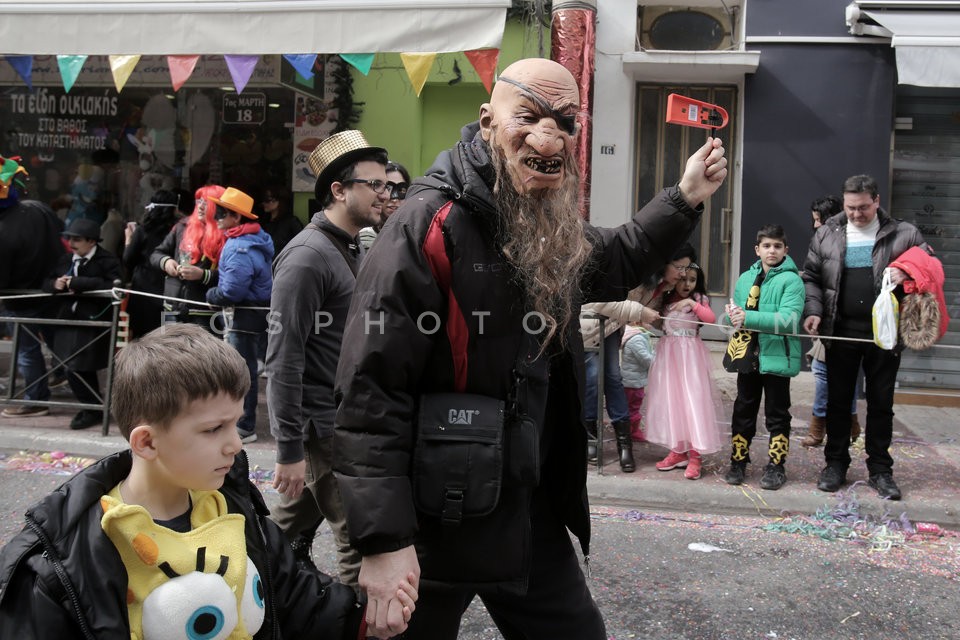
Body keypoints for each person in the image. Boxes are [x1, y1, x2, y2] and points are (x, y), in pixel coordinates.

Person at [332, 58, 727, 639]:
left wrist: (685, 196)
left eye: (565, 122)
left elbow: (612, 259)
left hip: (525, 502)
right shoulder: (429, 223)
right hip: (436, 510)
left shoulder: (544, 216)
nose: (548, 136)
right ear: (488, 121)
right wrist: (385, 541)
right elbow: (371, 387)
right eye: (530, 117)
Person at [0, 323, 415, 638]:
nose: (235, 445)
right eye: (214, 429)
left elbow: (297, 598)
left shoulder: (233, 509)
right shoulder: (62, 559)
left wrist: (367, 617)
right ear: (146, 441)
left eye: (236, 425)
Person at [267, 130, 389, 592]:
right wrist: (289, 449)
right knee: (358, 542)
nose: (385, 194)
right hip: (322, 429)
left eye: (387, 185)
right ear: (338, 190)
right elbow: (282, 358)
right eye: (374, 185)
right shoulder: (305, 257)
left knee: (281, 529)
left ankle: (241, 583)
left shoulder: (350, 245)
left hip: (345, 419)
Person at [803, 174, 929, 500]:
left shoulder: (904, 233)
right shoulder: (828, 231)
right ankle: (835, 465)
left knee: (881, 404)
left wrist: (909, 271)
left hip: (884, 335)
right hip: (840, 332)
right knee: (838, 402)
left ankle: (880, 471)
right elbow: (812, 277)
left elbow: (929, 264)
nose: (856, 215)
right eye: (850, 208)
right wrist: (813, 311)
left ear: (876, 201)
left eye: (862, 208)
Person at [721, 225, 805, 490]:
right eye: (767, 246)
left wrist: (747, 317)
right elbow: (734, 315)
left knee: (777, 414)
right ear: (757, 250)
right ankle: (738, 460)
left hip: (777, 356)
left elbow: (790, 320)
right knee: (743, 410)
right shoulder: (745, 278)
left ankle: (776, 466)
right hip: (748, 354)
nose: (772, 251)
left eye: (777, 246)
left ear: (785, 250)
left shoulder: (792, 281)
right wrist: (730, 318)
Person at [205, 187, 274, 444]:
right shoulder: (256, 240)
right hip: (253, 314)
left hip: (242, 316)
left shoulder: (238, 246)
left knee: (242, 373)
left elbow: (232, 290)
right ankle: (242, 423)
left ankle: (244, 425)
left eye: (221, 213)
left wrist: (212, 295)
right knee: (246, 370)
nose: (217, 218)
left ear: (236, 217)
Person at [0, 154, 64, 418]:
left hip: (22, 298)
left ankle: (36, 398)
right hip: (50, 290)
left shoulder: (4, 228)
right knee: (58, 343)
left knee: (28, 351)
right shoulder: (39, 208)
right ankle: (66, 378)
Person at [644, 263, 722, 480]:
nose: (687, 284)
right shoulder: (666, 299)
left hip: (690, 358)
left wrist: (692, 304)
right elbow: (651, 305)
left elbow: (711, 319)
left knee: (692, 403)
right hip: (669, 357)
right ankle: (678, 451)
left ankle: (695, 456)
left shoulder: (698, 300)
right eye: (682, 279)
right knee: (672, 402)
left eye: (692, 279)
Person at [43, 218, 122, 430]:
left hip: (92, 321)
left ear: (91, 241)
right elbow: (47, 282)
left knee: (79, 366)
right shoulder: (66, 260)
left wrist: (78, 283)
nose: (72, 243)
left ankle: (93, 409)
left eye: (77, 239)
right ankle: (92, 407)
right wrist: (55, 284)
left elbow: (113, 285)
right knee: (68, 366)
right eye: (69, 238)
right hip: (67, 319)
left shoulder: (107, 261)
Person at [802, 195, 860, 447]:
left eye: (818, 220)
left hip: (840, 322)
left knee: (825, 372)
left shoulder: (843, 244)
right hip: (828, 319)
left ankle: (821, 425)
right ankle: (849, 422)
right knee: (831, 372)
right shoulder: (827, 241)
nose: (815, 225)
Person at [579, 300, 657, 471]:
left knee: (613, 378)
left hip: (612, 324)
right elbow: (597, 299)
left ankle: (624, 446)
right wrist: (639, 311)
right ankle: (591, 439)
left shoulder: (656, 283)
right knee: (592, 379)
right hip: (589, 322)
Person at [150, 184, 226, 332]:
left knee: (202, 354)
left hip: (203, 309)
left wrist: (203, 275)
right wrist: (166, 263)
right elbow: (156, 254)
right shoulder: (182, 226)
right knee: (169, 352)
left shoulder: (226, 234)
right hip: (173, 305)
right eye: (199, 201)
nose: (201, 206)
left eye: (207, 203)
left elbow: (230, 275)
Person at [122, 189, 179, 339]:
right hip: (169, 291)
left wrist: (128, 239)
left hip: (143, 290)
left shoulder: (143, 230)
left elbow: (128, 259)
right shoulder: (178, 231)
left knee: (142, 339)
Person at [359, 160, 410, 248]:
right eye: (388, 188)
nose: (394, 199)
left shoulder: (409, 233)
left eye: (401, 190)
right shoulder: (366, 236)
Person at [621, 323, 655, 442]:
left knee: (631, 406)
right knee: (633, 406)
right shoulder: (636, 339)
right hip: (633, 382)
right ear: (637, 321)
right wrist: (659, 357)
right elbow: (646, 359)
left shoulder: (637, 336)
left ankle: (629, 431)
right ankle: (631, 432)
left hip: (633, 380)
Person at [259, 184, 302, 256]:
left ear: (279, 201)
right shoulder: (264, 222)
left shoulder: (291, 222)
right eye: (264, 199)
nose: (264, 203)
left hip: (284, 264)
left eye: (267, 199)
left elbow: (301, 245)